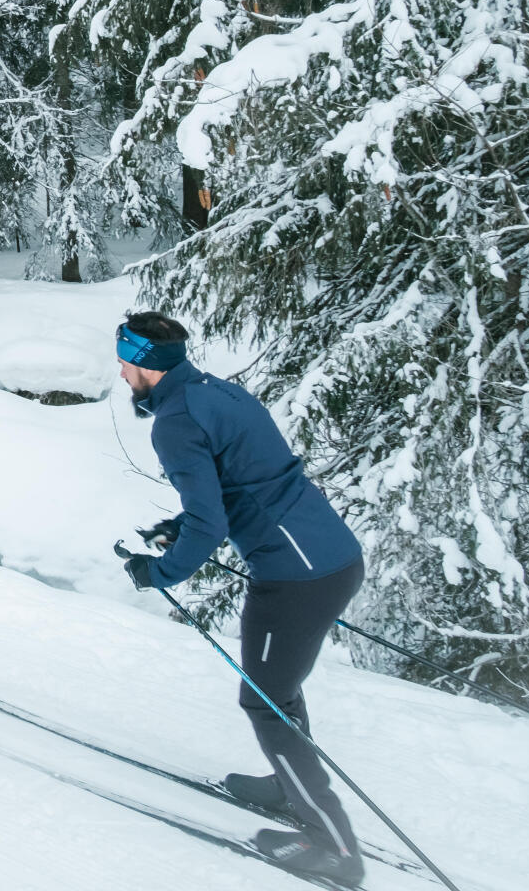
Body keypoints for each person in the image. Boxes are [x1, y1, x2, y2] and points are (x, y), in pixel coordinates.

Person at [115, 311, 366, 886]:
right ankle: (287, 786)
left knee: (266, 703)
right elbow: (244, 487)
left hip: (294, 578)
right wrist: (181, 526)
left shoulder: (174, 422)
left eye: (125, 358)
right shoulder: (217, 392)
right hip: (330, 557)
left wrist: (160, 572)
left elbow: (210, 524)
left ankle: (335, 849)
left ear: (147, 365)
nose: (121, 368)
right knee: (279, 691)